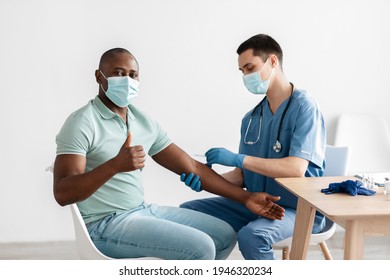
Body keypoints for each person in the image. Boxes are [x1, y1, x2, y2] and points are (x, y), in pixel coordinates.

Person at [53, 47, 285, 260]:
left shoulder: (142, 121)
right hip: (103, 224)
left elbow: (192, 167)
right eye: (118, 73)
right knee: (201, 247)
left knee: (224, 235)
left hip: (141, 210)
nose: (126, 80)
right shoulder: (82, 122)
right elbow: (63, 192)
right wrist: (114, 165)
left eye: (132, 75)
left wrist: (246, 198)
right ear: (98, 76)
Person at [180, 34, 326, 260]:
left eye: (250, 68)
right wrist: (205, 181)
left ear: (273, 61)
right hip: (256, 203)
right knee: (188, 213)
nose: (246, 76)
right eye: (242, 72)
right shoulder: (251, 119)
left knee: (253, 236)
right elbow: (242, 176)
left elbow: (296, 168)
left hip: (298, 210)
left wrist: (238, 158)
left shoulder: (304, 106)